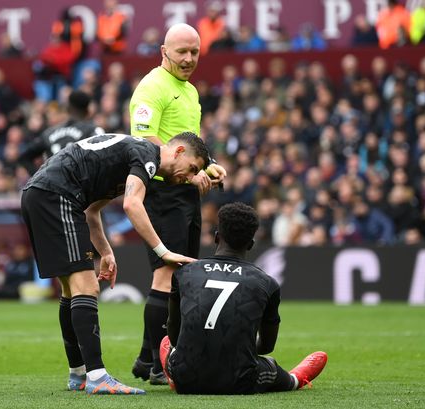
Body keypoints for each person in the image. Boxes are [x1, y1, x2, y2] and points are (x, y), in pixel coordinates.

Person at [21, 132, 210, 395]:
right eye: (192, 168)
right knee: (86, 287)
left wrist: (106, 251)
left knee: (70, 288)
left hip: (42, 193)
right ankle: (97, 376)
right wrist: (163, 251)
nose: (190, 178)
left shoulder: (132, 159)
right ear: (178, 151)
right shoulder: (147, 156)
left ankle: (78, 375)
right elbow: (133, 205)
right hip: (57, 195)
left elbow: (92, 211)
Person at [128, 22, 227, 385]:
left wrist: (209, 164)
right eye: (181, 51)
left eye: (194, 52)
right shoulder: (152, 87)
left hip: (184, 191)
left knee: (181, 278)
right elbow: (143, 139)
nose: (188, 59)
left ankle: (146, 359)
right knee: (166, 273)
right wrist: (186, 169)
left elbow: (191, 142)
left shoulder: (190, 92)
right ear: (163, 51)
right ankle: (158, 364)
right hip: (161, 189)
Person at [160, 202, 328, 394]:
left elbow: (174, 335)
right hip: (239, 382)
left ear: (216, 237)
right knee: (269, 364)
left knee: (168, 343)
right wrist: (236, 346)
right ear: (251, 244)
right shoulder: (266, 283)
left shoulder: (185, 273)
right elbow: (266, 346)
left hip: (185, 379)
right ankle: (295, 379)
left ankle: (172, 370)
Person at [18, 90, 103, 174]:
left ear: (68, 108)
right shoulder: (93, 131)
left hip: (54, 185)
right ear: (88, 111)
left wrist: (40, 178)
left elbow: (24, 158)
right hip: (82, 185)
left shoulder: (49, 133)